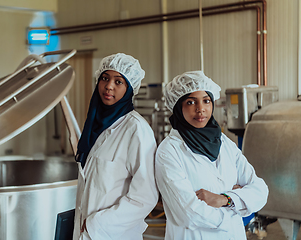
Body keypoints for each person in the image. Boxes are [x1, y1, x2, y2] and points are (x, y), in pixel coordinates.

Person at [155, 71, 268, 240]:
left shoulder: (224, 143)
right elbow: (189, 212)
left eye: (206, 101)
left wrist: (225, 199)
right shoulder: (169, 151)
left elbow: (260, 190)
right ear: (178, 107)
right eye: (191, 102)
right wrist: (236, 211)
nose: (200, 109)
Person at [73, 53, 158, 240]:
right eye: (105, 78)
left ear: (129, 88)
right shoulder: (95, 127)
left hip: (114, 233)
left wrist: (97, 224)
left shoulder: (136, 130)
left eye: (118, 82)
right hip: (84, 232)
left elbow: (145, 196)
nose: (109, 86)